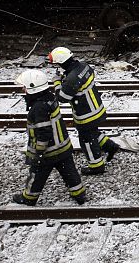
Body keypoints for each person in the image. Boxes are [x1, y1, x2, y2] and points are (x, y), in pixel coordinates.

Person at [12, 69, 87, 206]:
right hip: (63, 147)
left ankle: (29, 198)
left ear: (33, 88)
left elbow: (44, 132)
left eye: (25, 87)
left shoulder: (38, 108)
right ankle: (79, 194)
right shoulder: (50, 98)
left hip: (48, 151)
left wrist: (39, 153)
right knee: (70, 173)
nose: (23, 89)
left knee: (36, 175)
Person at [48, 46, 119, 175]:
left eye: (57, 64)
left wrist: (57, 83)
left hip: (86, 114)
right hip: (96, 107)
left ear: (62, 62)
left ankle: (96, 166)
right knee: (93, 133)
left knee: (86, 139)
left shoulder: (71, 79)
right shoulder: (84, 66)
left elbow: (62, 98)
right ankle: (110, 146)